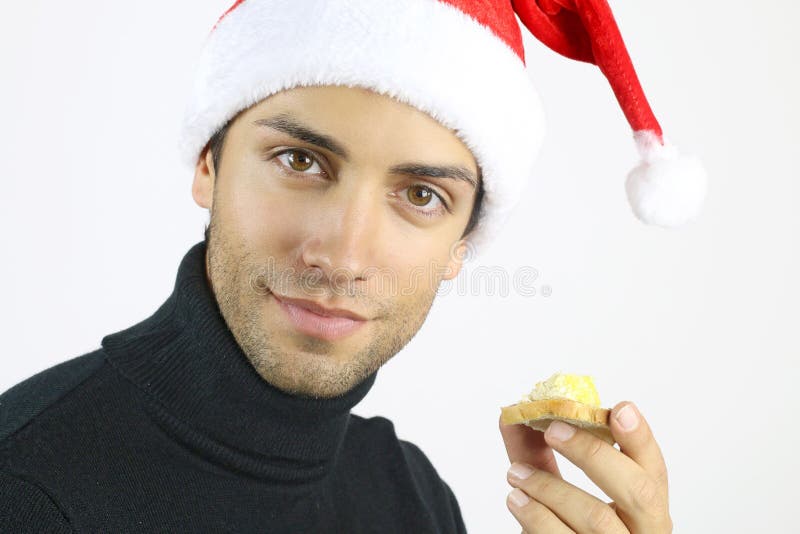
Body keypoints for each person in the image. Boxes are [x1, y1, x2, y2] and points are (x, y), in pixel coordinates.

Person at [1, 1, 704, 531]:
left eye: (422, 195)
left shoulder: (410, 496)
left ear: (463, 244)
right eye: (300, 161)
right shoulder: (25, 488)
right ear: (208, 166)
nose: (342, 257)